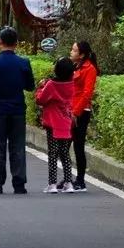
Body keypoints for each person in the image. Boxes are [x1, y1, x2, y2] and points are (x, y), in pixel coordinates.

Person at [0, 26, 35, 194]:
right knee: (18, 147)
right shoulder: (23, 63)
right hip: (18, 111)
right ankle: (19, 184)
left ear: (0, 42)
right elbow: (30, 86)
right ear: (16, 43)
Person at [35, 58, 76, 193]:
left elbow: (40, 100)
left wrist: (41, 87)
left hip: (52, 123)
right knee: (65, 153)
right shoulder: (71, 84)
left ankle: (52, 184)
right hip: (66, 122)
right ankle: (68, 183)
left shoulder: (51, 84)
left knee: (52, 154)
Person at [70, 40, 99, 192]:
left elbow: (87, 93)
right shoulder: (75, 66)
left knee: (78, 146)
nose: (71, 52)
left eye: (74, 50)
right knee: (64, 145)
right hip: (70, 110)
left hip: (81, 112)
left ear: (81, 55)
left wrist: (76, 112)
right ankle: (68, 178)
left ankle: (80, 180)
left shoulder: (90, 69)